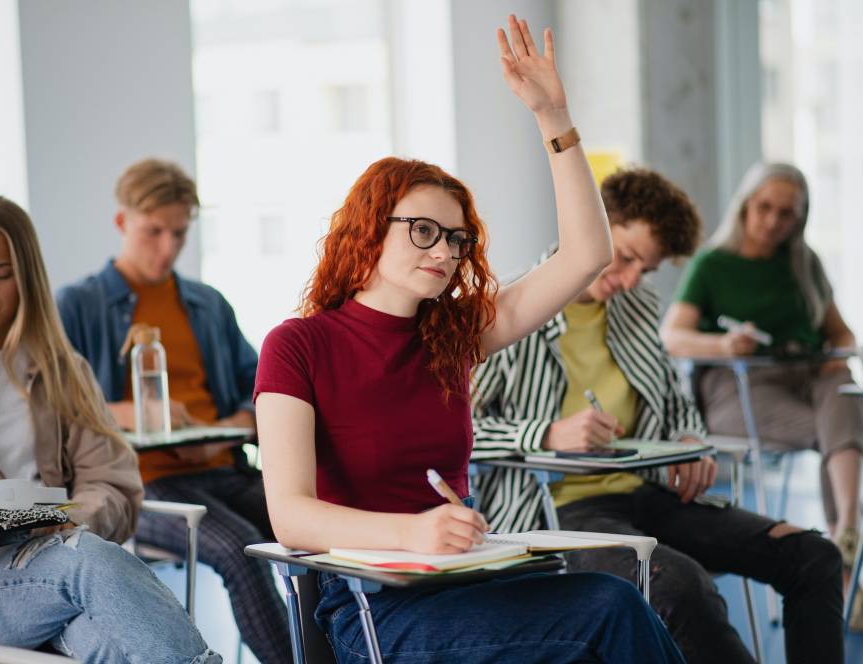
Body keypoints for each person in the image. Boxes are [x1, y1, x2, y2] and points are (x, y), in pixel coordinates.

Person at [255, 16, 684, 664]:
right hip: (378, 604)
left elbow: (587, 253)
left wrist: (553, 117)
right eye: (423, 230)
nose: (445, 250)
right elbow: (290, 515)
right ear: (370, 228)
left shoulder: (452, 337)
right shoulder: (296, 347)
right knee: (607, 611)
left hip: (469, 577)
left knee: (606, 601)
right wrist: (416, 533)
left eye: (456, 239)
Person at [470, 167, 844, 664]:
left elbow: (675, 400)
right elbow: (458, 434)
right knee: (681, 584)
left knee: (814, 555)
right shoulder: (508, 308)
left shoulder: (638, 307)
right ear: (587, 229)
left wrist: (690, 438)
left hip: (649, 494)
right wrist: (547, 434)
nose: (628, 281)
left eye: (644, 270)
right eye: (622, 258)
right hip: (558, 514)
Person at [55, 159, 289, 662]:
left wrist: (228, 428)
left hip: (224, 469)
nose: (168, 247)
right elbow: (54, 405)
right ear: (122, 223)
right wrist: (137, 411)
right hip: (144, 483)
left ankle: (345, 648)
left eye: (179, 233)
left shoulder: (207, 304)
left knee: (317, 522)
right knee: (239, 549)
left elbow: (266, 393)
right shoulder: (78, 304)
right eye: (153, 231)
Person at [0, 195, 219, 664]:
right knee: (90, 562)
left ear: (26, 277)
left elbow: (112, 482)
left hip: (56, 559)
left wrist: (68, 517)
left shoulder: (64, 371)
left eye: (1, 274)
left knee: (113, 642)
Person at [660, 162, 863, 573]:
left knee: (842, 389)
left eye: (786, 213)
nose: (773, 221)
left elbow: (842, 335)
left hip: (808, 380)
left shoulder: (805, 264)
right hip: (742, 390)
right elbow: (672, 336)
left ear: (800, 217)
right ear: (745, 205)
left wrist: (836, 356)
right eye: (764, 207)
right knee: (843, 431)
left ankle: (845, 529)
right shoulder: (712, 264)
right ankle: (846, 554)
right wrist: (723, 344)